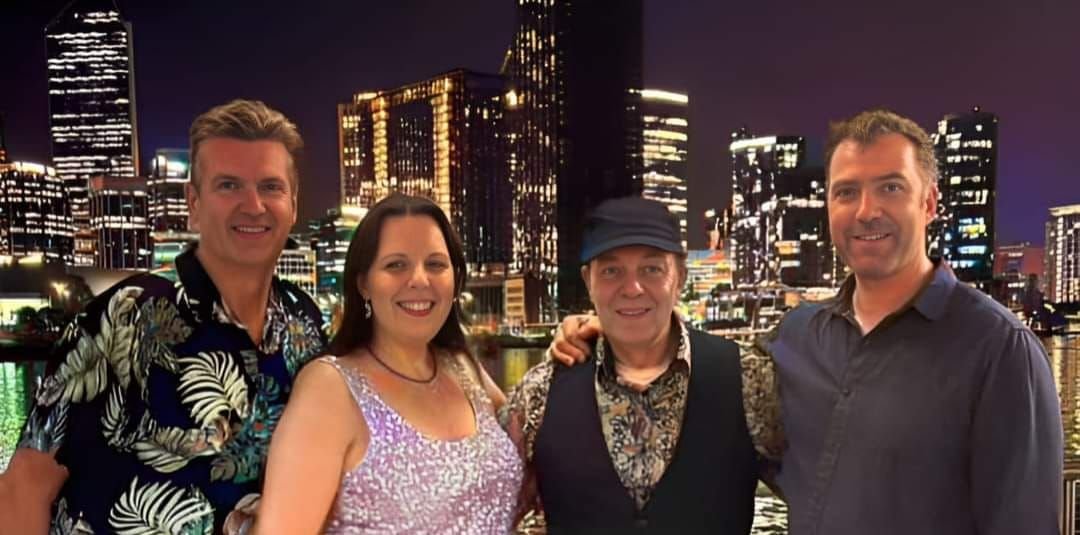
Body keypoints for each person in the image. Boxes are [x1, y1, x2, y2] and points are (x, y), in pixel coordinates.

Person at [552, 109, 1063, 534]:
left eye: (890, 187)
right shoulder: (796, 336)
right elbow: (703, 375)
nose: (866, 211)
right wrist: (609, 331)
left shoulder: (999, 350)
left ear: (928, 202)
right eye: (846, 192)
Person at [2, 99, 327, 534]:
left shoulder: (303, 321)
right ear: (193, 202)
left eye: (270, 186)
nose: (253, 205)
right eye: (228, 185)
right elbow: (24, 487)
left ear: (293, 203)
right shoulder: (127, 314)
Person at [501, 196, 782, 534]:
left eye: (651, 269)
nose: (632, 288)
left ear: (680, 277)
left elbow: (819, 493)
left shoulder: (748, 378)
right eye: (611, 271)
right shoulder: (540, 393)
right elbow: (488, 508)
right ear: (588, 281)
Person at [254, 193, 522, 534]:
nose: (419, 279)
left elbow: (536, 433)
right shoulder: (330, 389)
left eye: (436, 264)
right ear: (364, 283)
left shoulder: (463, 369)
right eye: (396, 265)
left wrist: (576, 337)